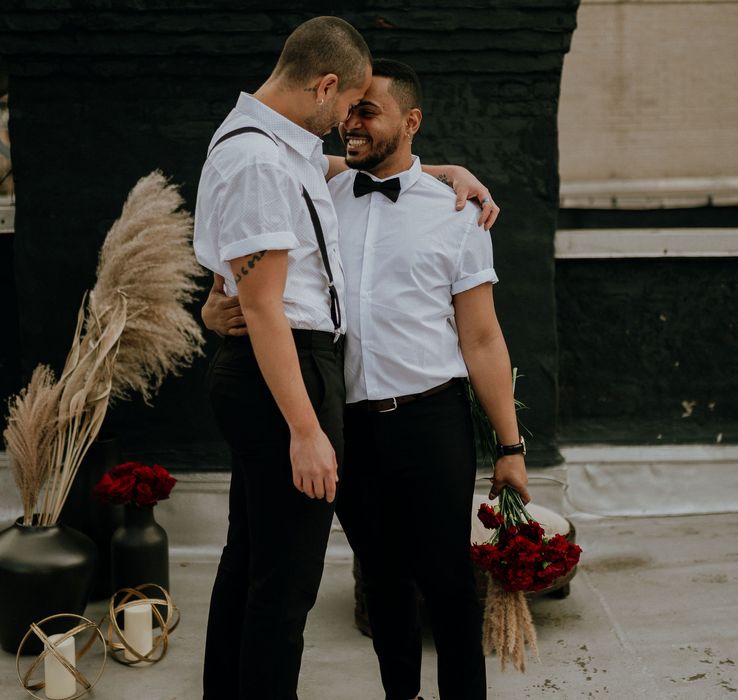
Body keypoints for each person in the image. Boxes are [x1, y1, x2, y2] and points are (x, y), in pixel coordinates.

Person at [203, 58, 528, 700]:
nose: (349, 122)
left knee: (450, 586)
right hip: (344, 423)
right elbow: (256, 279)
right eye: (349, 109)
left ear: (411, 121)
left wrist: (511, 447)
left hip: (432, 420)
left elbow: (483, 338)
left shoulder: (457, 212)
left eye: (367, 111)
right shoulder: (316, 194)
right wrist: (215, 308)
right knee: (380, 583)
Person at [193, 17, 372, 699]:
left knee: (251, 562)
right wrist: (305, 429)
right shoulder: (260, 161)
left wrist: (437, 171)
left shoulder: (269, 143)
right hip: (284, 371)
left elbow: (322, 169)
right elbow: (264, 307)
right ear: (323, 84)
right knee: (287, 583)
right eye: (347, 104)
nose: (346, 122)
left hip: (274, 368)